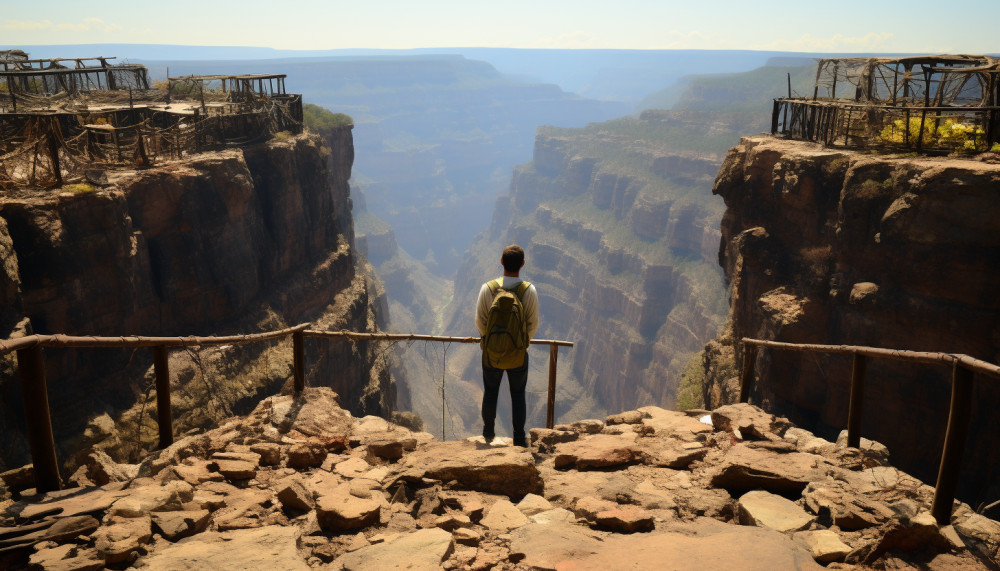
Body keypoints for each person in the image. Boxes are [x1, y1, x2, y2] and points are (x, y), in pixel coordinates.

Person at [475, 244, 539, 447]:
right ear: (522, 264)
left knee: (490, 392)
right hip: (518, 354)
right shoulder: (528, 291)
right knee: (518, 395)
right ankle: (519, 439)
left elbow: (480, 321)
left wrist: (491, 341)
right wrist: (521, 344)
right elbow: (532, 324)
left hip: (491, 353)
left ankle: (487, 435)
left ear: (501, 262)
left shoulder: (488, 288)